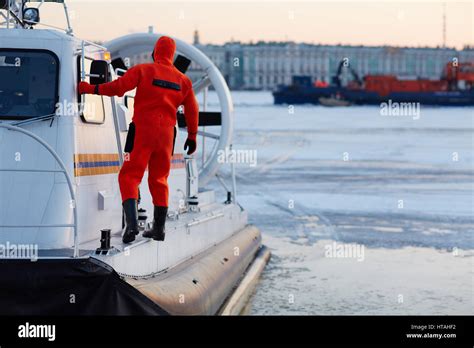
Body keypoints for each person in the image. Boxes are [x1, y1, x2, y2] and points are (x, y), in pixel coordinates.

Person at [78, 36, 199, 244]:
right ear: (172, 55)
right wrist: (193, 136)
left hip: (142, 131)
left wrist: (90, 89)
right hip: (167, 136)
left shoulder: (143, 70)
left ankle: (132, 225)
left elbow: (117, 88)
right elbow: (192, 109)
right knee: (159, 179)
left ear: (155, 53)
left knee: (129, 176)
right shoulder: (183, 80)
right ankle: (159, 228)